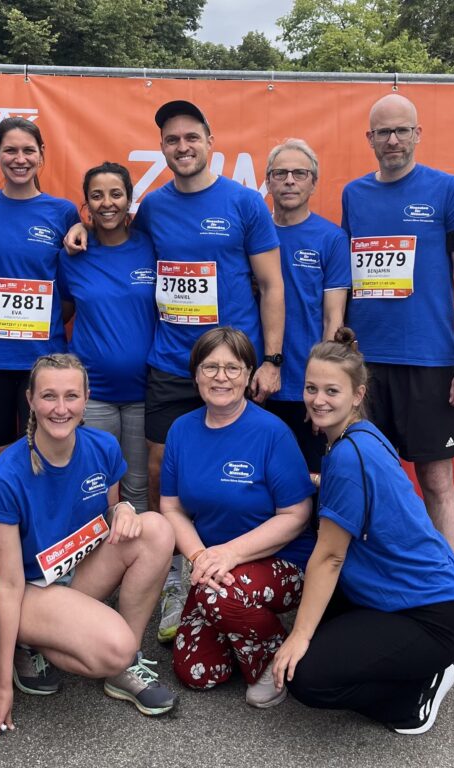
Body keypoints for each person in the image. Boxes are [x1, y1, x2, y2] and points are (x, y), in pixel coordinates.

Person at [66, 100, 285, 645]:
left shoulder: (244, 202)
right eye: (171, 140)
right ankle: (162, 576)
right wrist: (79, 221)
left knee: (233, 474)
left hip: (230, 366)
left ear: (210, 140)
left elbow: (272, 285)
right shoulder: (155, 208)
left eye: (191, 137)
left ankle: (223, 572)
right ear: (161, 148)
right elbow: (108, 225)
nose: (182, 147)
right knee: (161, 477)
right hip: (167, 364)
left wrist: (273, 359)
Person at [272, 328, 454, 735]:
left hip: (429, 619)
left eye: (332, 391)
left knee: (305, 676)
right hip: (408, 598)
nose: (318, 399)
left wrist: (299, 635)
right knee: (318, 618)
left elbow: (330, 557)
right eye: (311, 388)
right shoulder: (360, 436)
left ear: (357, 395)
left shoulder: (347, 456)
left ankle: (415, 694)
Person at [342, 93, 454, 669]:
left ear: (418, 133)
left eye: (402, 131)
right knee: (368, 484)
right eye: (383, 133)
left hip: (429, 362)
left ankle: (448, 605)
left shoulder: (451, 191)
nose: (393, 141)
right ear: (369, 139)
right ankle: (378, 598)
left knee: (436, 482)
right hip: (365, 369)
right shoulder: (354, 194)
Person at [0, 353, 176, 739]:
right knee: (112, 644)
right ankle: (25, 643)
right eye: (49, 396)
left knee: (157, 530)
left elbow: (112, 512)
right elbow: (9, 584)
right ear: (30, 399)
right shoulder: (5, 476)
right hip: (20, 587)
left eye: (71, 396)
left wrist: (127, 511)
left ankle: (122, 668)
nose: (61, 409)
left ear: (86, 398)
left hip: (69, 570)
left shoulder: (103, 447)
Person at [160, 327, 314, 708]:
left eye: (232, 368)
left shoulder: (272, 433)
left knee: (222, 596)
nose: (221, 377)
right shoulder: (181, 430)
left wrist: (229, 553)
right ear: (195, 374)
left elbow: (297, 514)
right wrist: (199, 557)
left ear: (248, 375)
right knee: (196, 673)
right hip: (213, 565)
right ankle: (241, 630)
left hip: (281, 563)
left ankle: (275, 658)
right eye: (210, 367)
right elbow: (171, 507)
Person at [0, 119, 79, 466]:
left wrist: (41, 318)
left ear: (41, 154)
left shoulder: (63, 212)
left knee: (43, 450)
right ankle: (8, 518)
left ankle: (38, 522)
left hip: (42, 356)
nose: (20, 158)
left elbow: (70, 288)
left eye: (28, 150)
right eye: (10, 150)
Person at [58, 161, 156, 511]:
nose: (107, 203)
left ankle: (142, 565)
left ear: (130, 199)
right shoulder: (73, 255)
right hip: (93, 392)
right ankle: (94, 566)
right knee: (94, 486)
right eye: (96, 196)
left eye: (116, 194)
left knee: (138, 487)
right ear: (86, 203)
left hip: (145, 391)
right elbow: (65, 309)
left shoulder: (152, 248)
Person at [264, 138, 350, 478]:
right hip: (255, 384)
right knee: (260, 483)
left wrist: (322, 393)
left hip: (304, 387)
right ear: (268, 180)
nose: (289, 180)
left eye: (299, 173)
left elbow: (334, 319)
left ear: (313, 182)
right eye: (280, 173)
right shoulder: (253, 233)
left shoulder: (331, 238)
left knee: (312, 481)